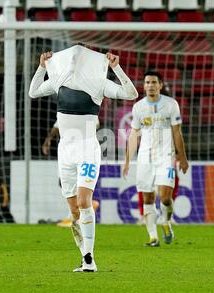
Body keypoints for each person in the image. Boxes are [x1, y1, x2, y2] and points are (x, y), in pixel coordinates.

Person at [29, 44, 138, 272]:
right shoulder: (58, 79)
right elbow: (33, 91)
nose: (74, 60)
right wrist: (41, 67)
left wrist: (116, 69)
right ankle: (84, 257)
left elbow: (131, 93)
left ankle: (89, 258)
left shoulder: (98, 83)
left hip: (88, 148)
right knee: (74, 211)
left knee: (83, 202)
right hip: (65, 152)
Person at [123, 70, 189, 247]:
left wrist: (182, 157)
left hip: (166, 156)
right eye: (147, 83)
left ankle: (166, 221)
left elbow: (177, 132)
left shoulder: (171, 105)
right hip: (145, 157)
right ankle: (153, 237)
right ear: (144, 86)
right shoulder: (138, 107)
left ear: (160, 85)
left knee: (165, 197)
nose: (150, 85)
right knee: (148, 198)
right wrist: (127, 160)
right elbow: (134, 134)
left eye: (153, 82)